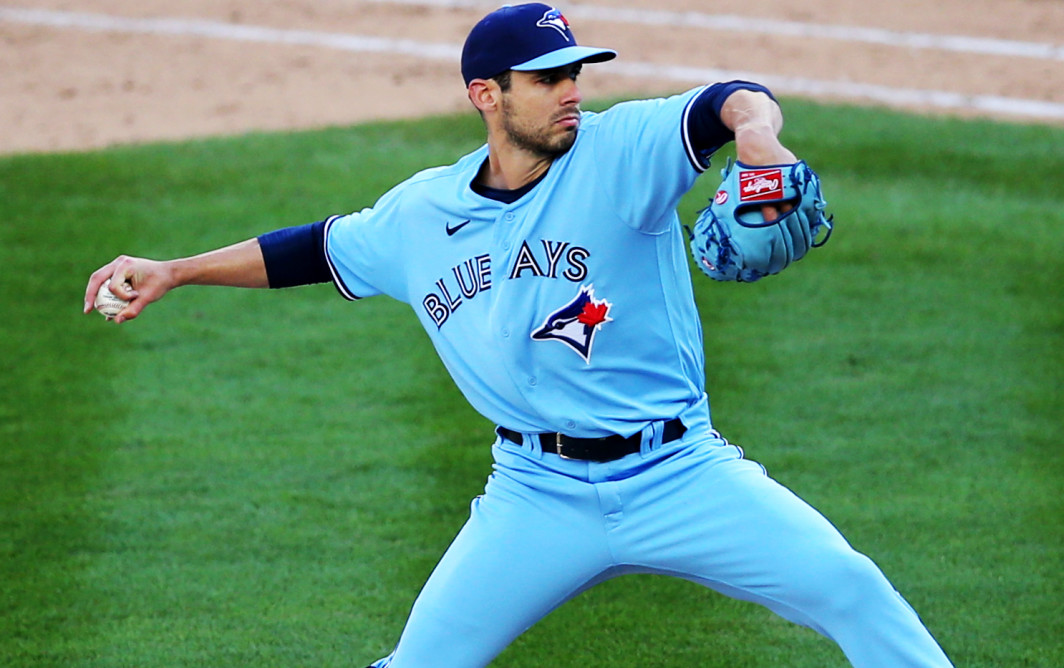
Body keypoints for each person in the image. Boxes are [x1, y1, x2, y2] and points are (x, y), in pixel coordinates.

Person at [84, 4, 954, 666]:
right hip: (535, 495)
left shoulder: (621, 151)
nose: (572, 91)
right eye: (547, 78)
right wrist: (177, 269)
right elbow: (312, 249)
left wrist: (760, 138)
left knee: (851, 589)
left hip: (680, 473)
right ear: (486, 95)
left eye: (575, 72)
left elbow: (726, 101)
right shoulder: (424, 211)